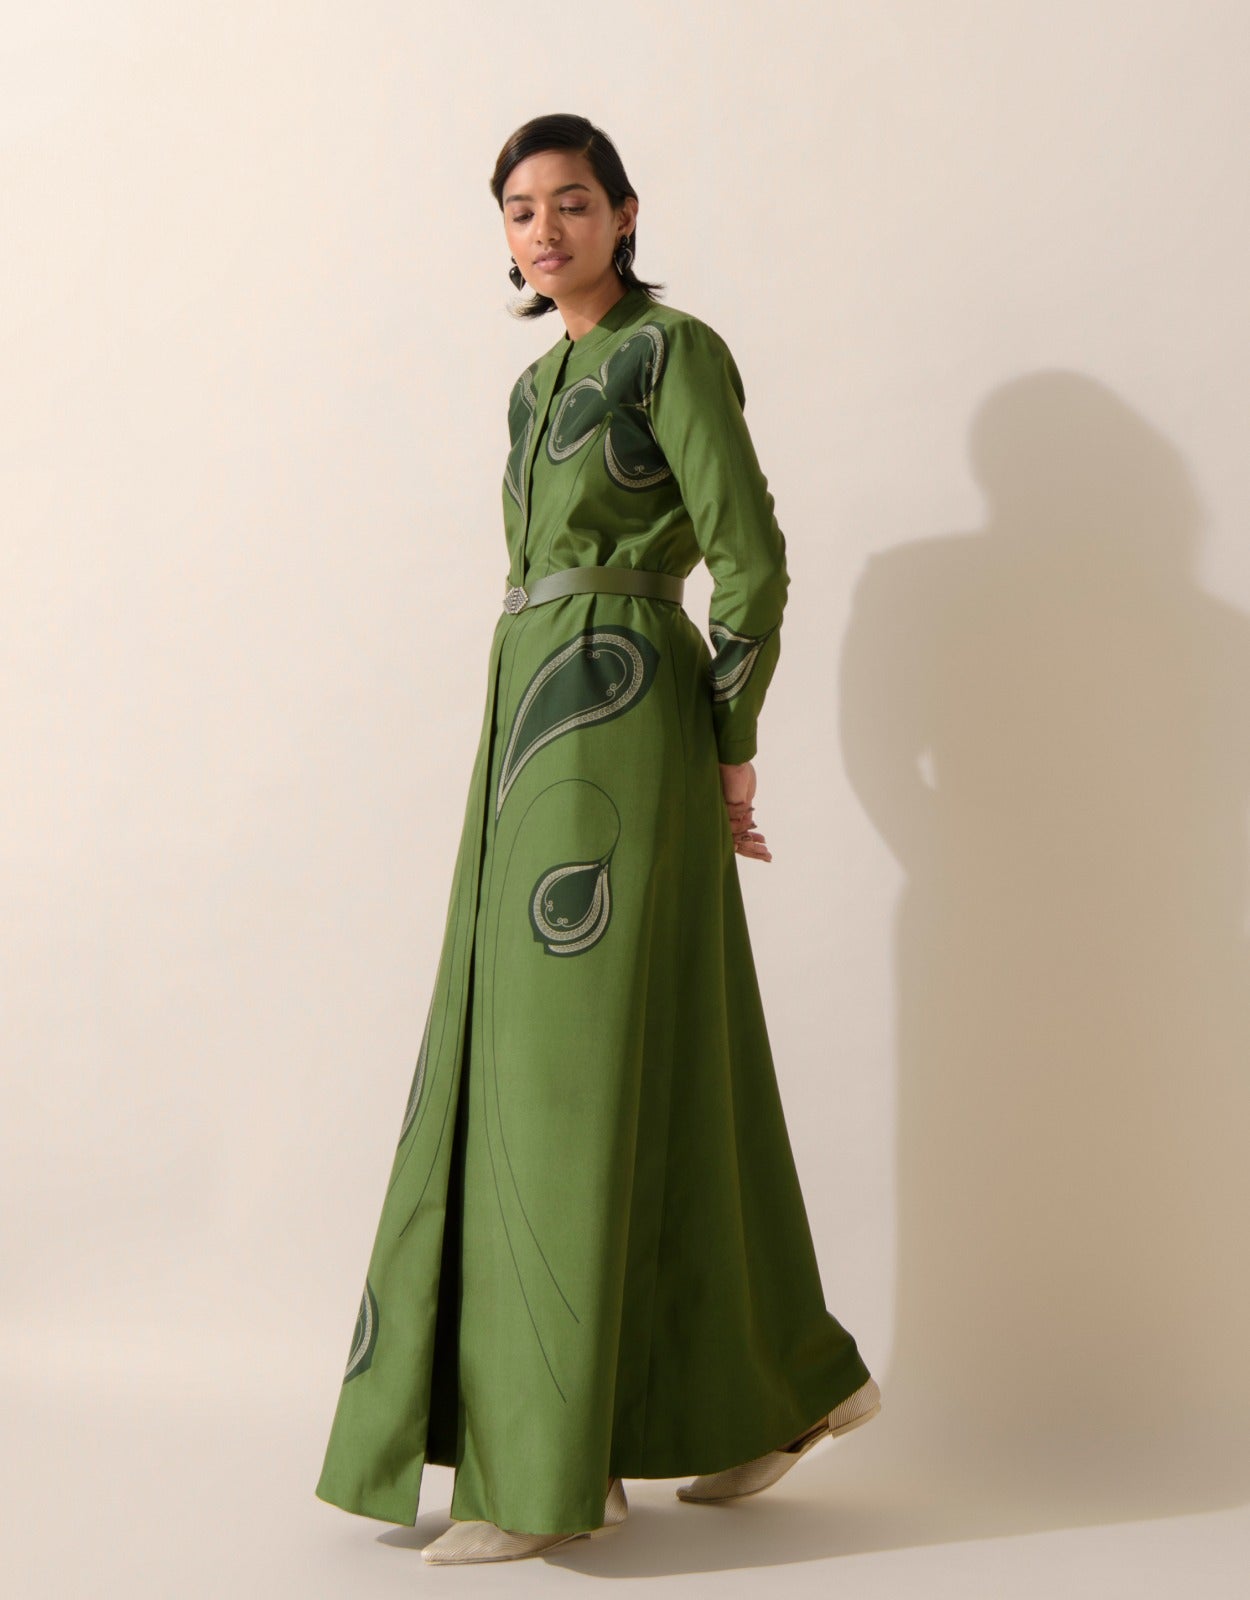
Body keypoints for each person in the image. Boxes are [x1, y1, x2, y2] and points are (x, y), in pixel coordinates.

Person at [313, 112, 880, 1567]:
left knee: (557, 1078)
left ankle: (543, 1467)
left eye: (572, 202)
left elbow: (749, 556)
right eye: (520, 210)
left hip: (619, 711)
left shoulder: (667, 352)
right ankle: (774, 1388)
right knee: (644, 1053)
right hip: (525, 709)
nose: (545, 229)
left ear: (626, 213)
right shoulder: (534, 387)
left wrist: (727, 741)